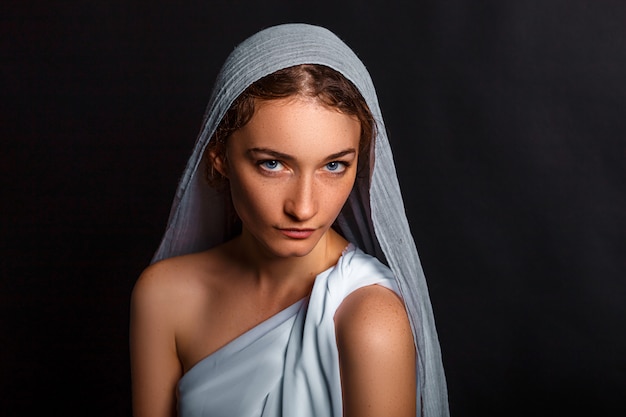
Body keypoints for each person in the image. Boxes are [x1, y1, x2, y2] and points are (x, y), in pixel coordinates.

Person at [130, 23, 449, 417]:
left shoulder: (369, 319)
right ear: (219, 157)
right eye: (273, 163)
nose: (303, 207)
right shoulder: (164, 297)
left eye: (334, 165)